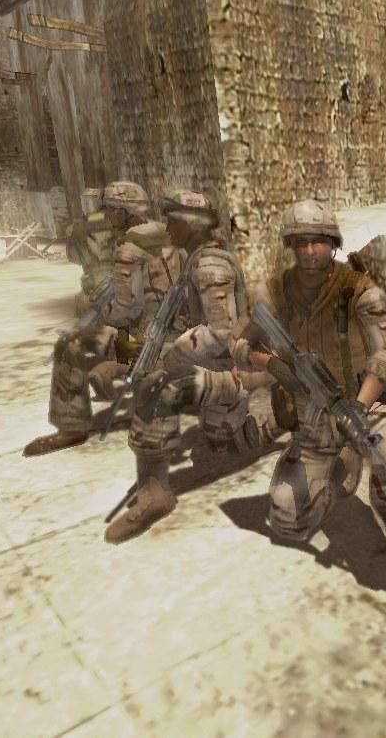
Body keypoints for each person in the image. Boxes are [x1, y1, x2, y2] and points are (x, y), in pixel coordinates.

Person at [231, 199, 386, 615]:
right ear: (292, 246)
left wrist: (359, 409)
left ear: (332, 243)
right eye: (302, 242)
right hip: (311, 420)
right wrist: (272, 364)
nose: (311, 251)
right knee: (287, 518)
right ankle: (338, 478)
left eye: (319, 241)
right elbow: (238, 344)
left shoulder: (360, 293)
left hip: (362, 406)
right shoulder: (272, 294)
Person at [104, 189, 261, 544]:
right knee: (156, 380)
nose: (166, 226)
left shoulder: (209, 267)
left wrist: (169, 360)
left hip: (231, 373)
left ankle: (156, 493)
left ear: (191, 223)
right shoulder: (195, 260)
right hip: (216, 368)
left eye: (172, 219)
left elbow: (220, 332)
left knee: (158, 387)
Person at [24, 182, 158, 456]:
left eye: (110, 209)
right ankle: (77, 419)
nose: (105, 214)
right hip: (142, 329)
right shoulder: (159, 236)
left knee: (104, 339)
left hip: (155, 338)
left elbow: (134, 307)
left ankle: (111, 374)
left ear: (125, 211)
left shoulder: (142, 246)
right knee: (78, 340)